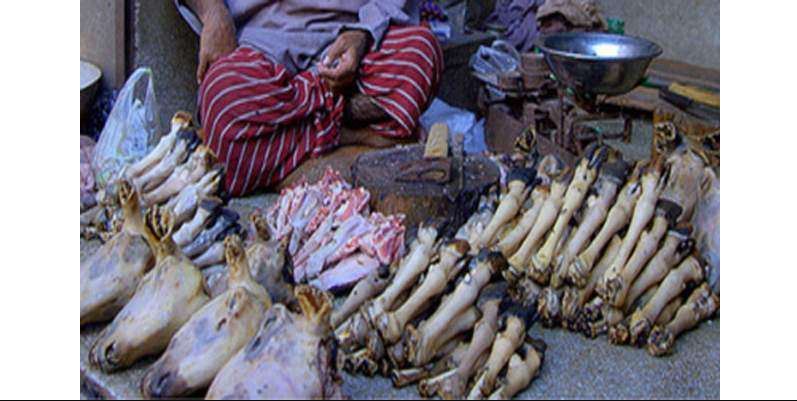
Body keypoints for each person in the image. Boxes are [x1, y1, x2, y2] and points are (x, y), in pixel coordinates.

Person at [176, 0, 444, 196]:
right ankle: (351, 137)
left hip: (349, 36)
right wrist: (213, 13)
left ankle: (277, 156)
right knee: (224, 100)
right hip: (260, 43)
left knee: (420, 56)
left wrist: (362, 33)